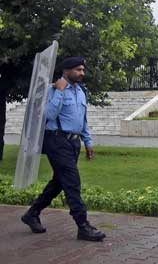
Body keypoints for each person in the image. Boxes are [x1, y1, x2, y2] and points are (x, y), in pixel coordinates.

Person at [21, 56, 106, 241]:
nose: (82, 73)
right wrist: (59, 91)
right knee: (72, 182)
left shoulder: (81, 91)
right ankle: (83, 226)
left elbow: (82, 120)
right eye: (78, 70)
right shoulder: (53, 89)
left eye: (83, 69)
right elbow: (48, 115)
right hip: (57, 141)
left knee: (59, 182)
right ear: (66, 71)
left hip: (74, 142)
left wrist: (88, 142)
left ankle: (32, 213)